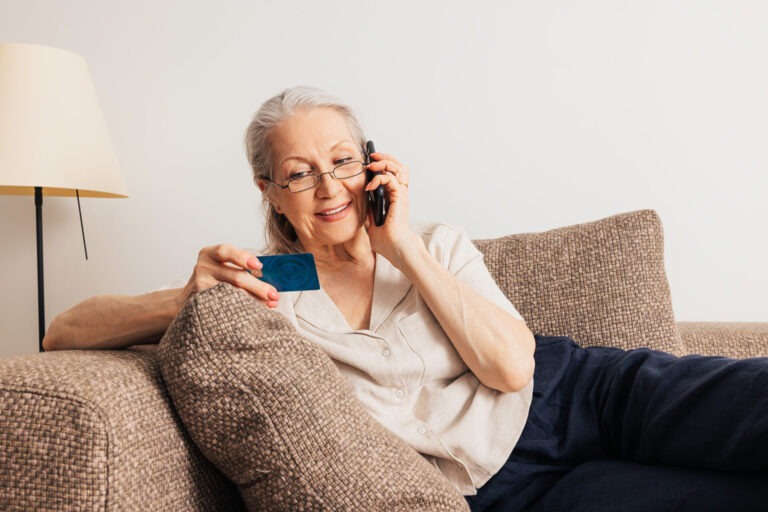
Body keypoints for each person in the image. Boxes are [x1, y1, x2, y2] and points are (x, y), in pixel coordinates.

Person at [44, 87, 768, 511]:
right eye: (299, 173)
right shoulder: (269, 286)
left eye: (342, 162)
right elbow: (64, 332)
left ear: (373, 165)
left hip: (585, 391)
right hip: (508, 485)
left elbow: (514, 369)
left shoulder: (434, 246)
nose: (328, 188)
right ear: (268, 191)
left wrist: (405, 249)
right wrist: (184, 297)